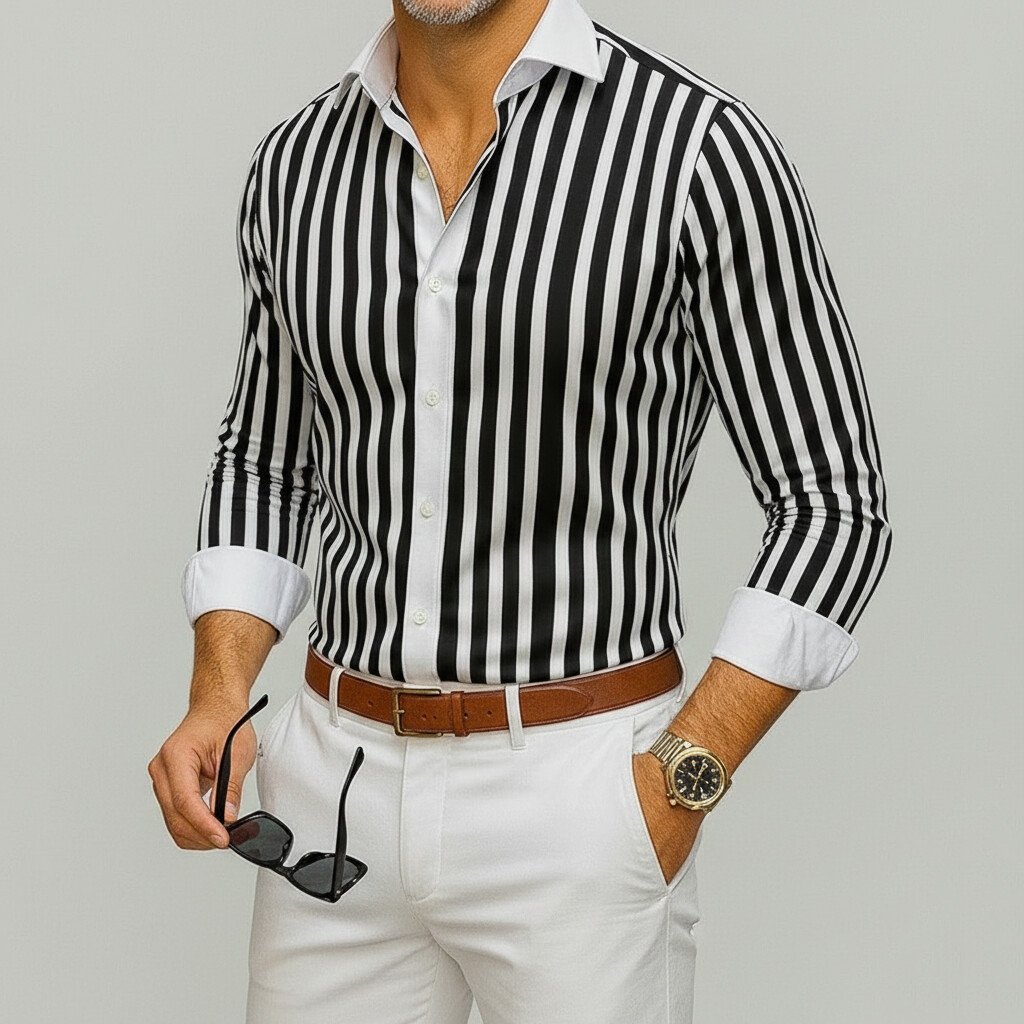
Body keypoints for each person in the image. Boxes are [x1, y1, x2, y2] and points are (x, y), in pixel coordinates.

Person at [148, 0, 893, 1020]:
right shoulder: (296, 165)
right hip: (331, 788)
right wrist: (218, 690)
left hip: (579, 790)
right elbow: (265, 461)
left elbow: (833, 503)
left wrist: (681, 777)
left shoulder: (697, 151)